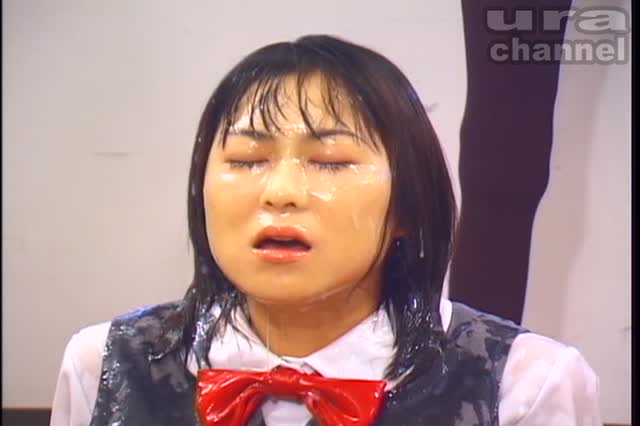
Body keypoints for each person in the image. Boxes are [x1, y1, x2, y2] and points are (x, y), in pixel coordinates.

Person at [50, 35, 601, 426]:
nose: (280, 192)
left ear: (409, 205)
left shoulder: (526, 382)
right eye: (246, 160)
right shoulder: (104, 362)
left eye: (331, 162)